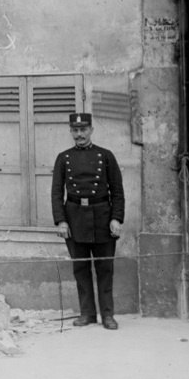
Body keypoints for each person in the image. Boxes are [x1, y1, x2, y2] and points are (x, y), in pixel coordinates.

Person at [51, 112, 125, 330]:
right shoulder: (63, 158)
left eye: (83, 130)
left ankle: (108, 315)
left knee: (105, 268)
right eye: (75, 130)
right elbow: (57, 193)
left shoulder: (106, 156)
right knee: (80, 269)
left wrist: (116, 218)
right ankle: (87, 313)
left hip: (102, 216)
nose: (79, 134)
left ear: (91, 130)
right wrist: (61, 221)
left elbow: (118, 192)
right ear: (71, 131)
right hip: (74, 218)